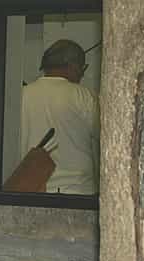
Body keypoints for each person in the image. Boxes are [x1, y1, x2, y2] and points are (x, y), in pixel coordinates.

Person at [20, 39, 100, 195]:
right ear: (73, 67)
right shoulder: (84, 96)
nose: (82, 75)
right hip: (78, 192)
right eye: (82, 69)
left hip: (31, 191)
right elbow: (106, 137)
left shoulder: (22, 95)